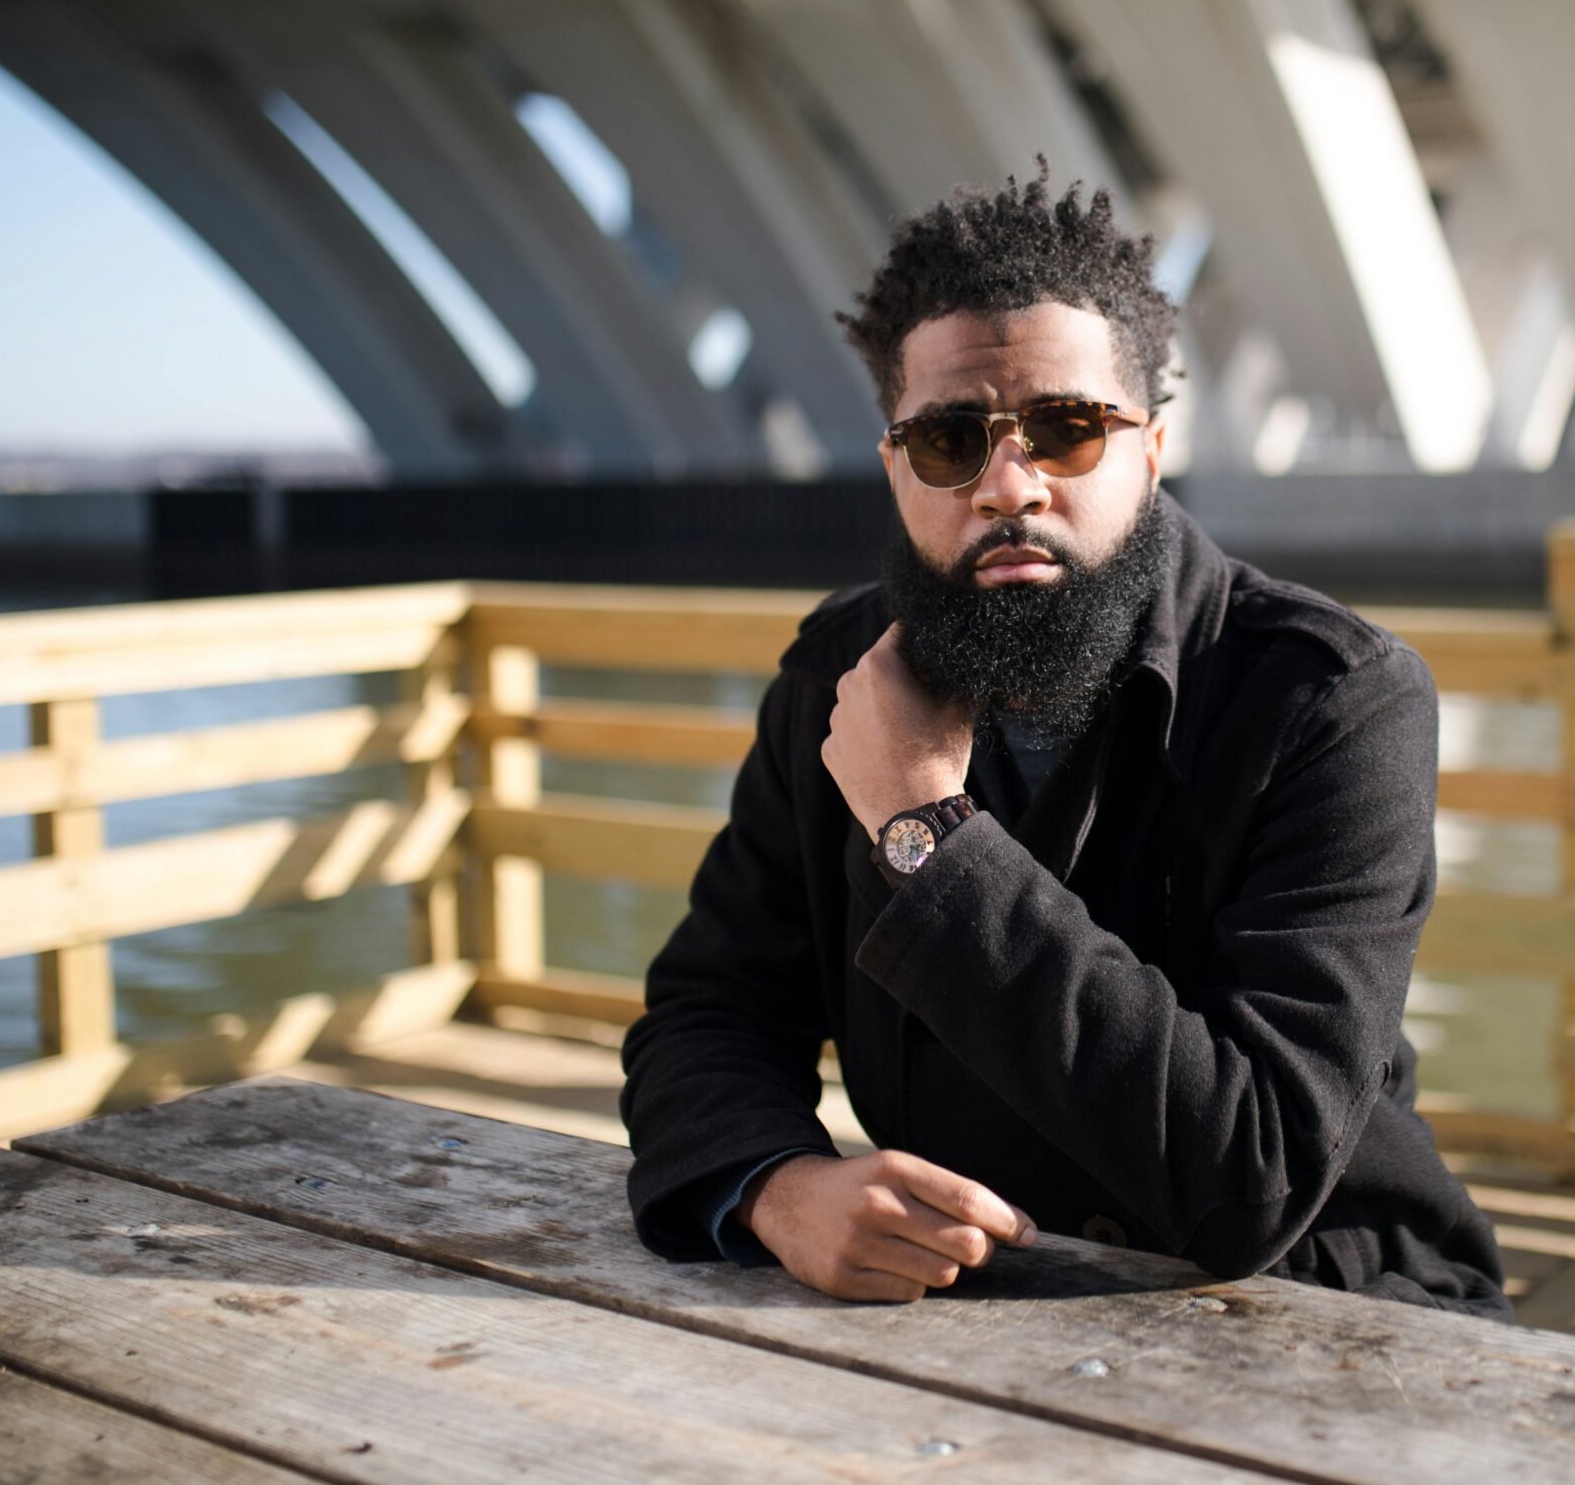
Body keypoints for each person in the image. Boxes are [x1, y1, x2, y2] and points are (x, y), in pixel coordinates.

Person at [617, 163, 1511, 1320]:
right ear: (895, 469)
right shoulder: (836, 680)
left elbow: (1255, 1175)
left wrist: (928, 830)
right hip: (974, 1299)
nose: (1007, 484)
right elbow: (710, 1011)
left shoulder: (1331, 700)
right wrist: (778, 1189)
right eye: (949, 439)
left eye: (1066, 429)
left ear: (1150, 446)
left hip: (1321, 1303)